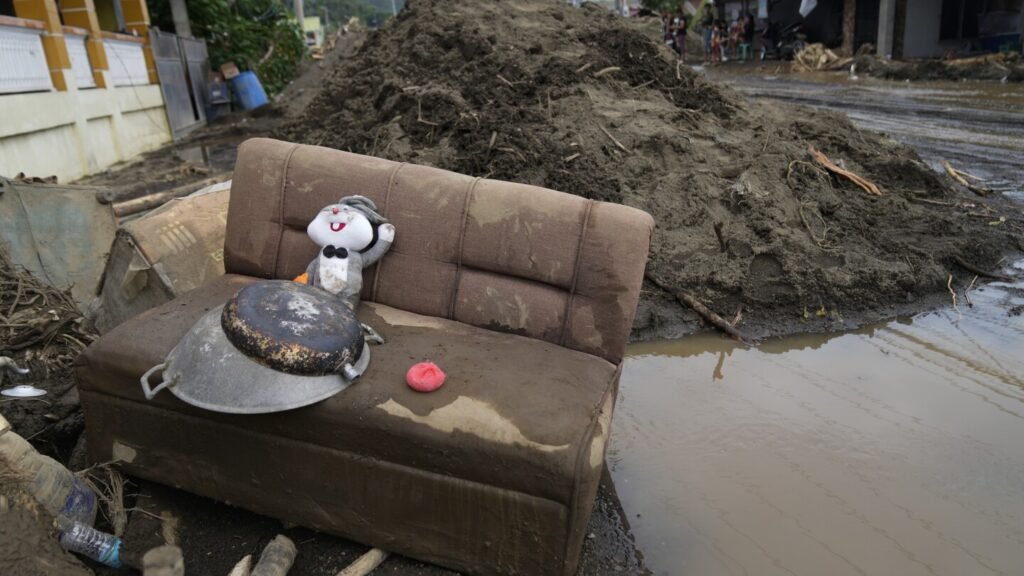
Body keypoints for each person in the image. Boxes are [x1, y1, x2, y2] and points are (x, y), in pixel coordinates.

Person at [700, 0, 716, 65]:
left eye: (707, 8)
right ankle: (706, 60)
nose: (706, 9)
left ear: (709, 8)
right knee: (705, 45)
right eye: (705, 8)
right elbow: (702, 23)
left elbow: (706, 22)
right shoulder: (704, 15)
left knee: (708, 45)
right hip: (704, 30)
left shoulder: (710, 15)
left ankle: (709, 60)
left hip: (708, 31)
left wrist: (706, 25)